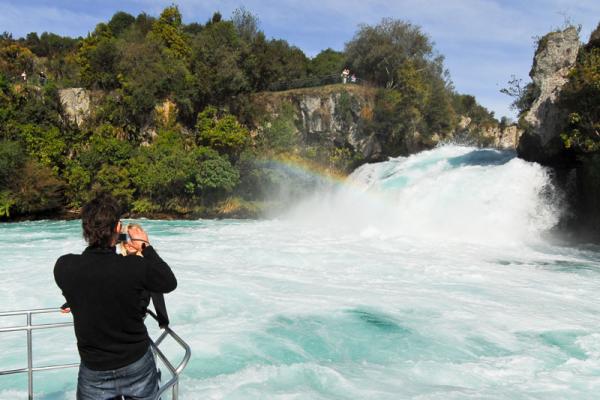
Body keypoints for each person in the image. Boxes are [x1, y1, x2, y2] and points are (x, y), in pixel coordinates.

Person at [54, 193, 177, 400]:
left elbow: (88, 287)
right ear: (118, 229)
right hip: (136, 361)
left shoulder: (64, 266)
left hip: (95, 368)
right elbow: (168, 282)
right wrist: (145, 246)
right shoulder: (134, 267)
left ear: (85, 229)